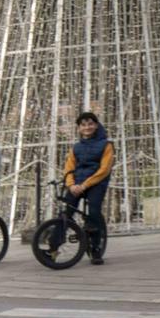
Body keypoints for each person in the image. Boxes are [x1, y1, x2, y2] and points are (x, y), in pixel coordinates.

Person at [62, 111, 115, 263]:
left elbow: (104, 170)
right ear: (79, 128)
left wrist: (85, 185)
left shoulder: (106, 145)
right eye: (83, 125)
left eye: (90, 124)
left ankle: (96, 248)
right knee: (66, 212)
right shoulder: (76, 147)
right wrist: (71, 184)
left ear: (96, 125)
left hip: (96, 184)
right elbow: (69, 168)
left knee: (93, 211)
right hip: (77, 184)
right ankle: (53, 246)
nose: (87, 127)